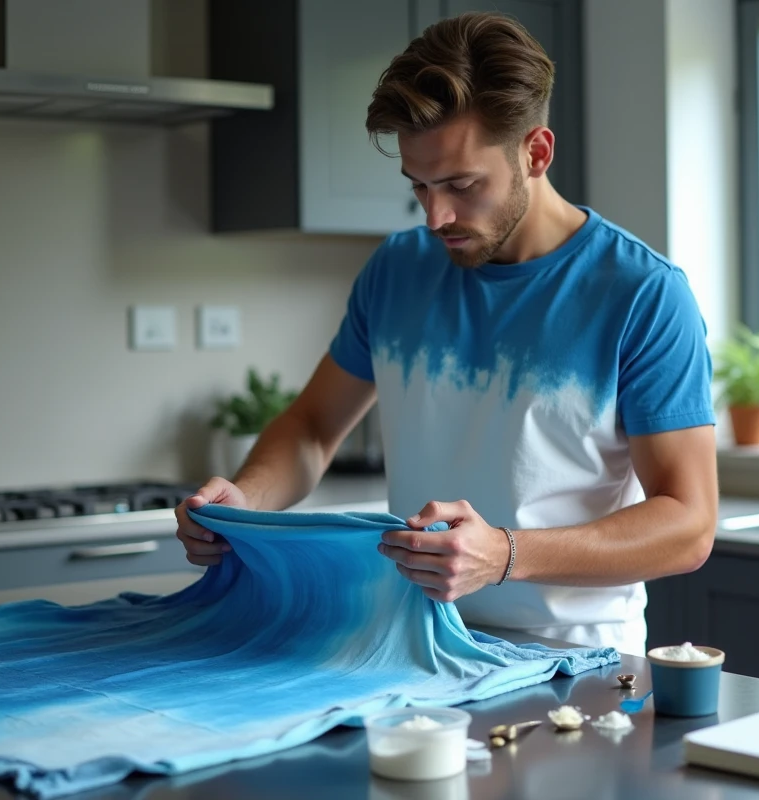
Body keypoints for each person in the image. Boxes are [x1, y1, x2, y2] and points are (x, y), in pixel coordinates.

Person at [175, 11, 718, 656]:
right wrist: (246, 498)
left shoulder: (642, 294)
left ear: (536, 153)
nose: (436, 216)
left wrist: (505, 555)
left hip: (570, 661)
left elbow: (689, 523)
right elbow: (314, 427)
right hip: (409, 645)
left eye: (462, 185)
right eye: (419, 187)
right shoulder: (397, 269)